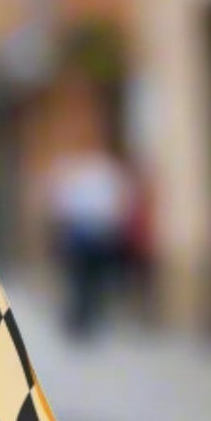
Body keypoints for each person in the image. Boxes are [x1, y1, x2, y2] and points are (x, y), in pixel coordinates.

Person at [45, 144, 135, 339]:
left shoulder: (97, 171)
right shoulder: (80, 171)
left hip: (94, 233)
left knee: (87, 279)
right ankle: (82, 319)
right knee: (84, 279)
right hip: (86, 233)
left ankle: (85, 319)